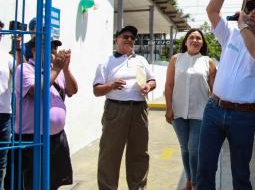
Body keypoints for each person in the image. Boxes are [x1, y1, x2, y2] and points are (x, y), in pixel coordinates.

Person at [197, 0, 255, 190]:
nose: (252, 13)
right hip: (214, 109)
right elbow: (212, 10)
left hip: (243, 116)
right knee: (204, 169)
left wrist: (243, 25)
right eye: (249, 10)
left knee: (241, 175)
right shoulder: (231, 35)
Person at [6, 36, 78, 189]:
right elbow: (36, 90)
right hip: (32, 140)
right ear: (34, 50)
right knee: (32, 184)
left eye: (55, 48)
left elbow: (72, 90)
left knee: (53, 183)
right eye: (49, 47)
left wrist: (65, 69)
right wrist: (57, 69)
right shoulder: (25, 69)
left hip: (56, 139)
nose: (54, 51)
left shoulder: (55, 72)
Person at [93, 25, 156, 190]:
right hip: (116, 110)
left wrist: (149, 86)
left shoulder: (141, 60)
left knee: (139, 152)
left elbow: (152, 80)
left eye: (132, 38)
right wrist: (111, 85)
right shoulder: (106, 62)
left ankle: (138, 186)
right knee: (110, 154)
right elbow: (97, 90)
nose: (129, 39)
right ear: (116, 39)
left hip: (139, 109)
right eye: (125, 36)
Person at [164, 28, 216, 190]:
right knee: (184, 148)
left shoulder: (209, 62)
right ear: (185, 41)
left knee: (194, 149)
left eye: (199, 38)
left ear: (202, 43)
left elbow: (214, 91)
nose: (195, 40)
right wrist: (168, 108)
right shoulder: (175, 59)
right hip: (178, 111)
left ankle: (194, 183)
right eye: (192, 37)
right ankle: (189, 179)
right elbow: (169, 85)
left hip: (201, 113)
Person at [0, 20, 22, 188]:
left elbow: (22, 73)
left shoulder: (7, 59)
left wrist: (19, 48)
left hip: (4, 114)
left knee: (1, 161)